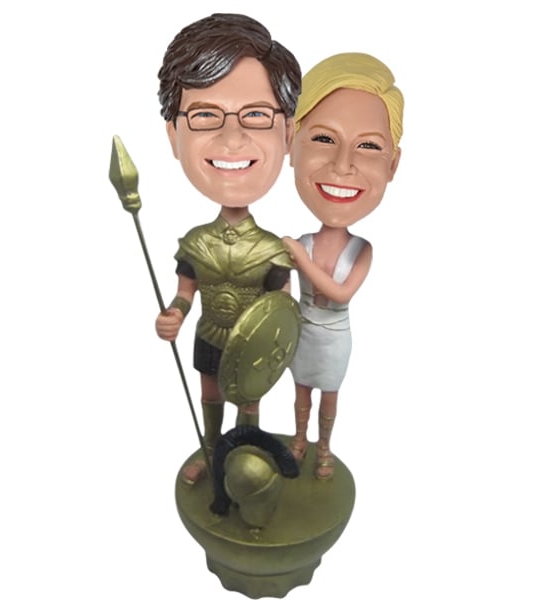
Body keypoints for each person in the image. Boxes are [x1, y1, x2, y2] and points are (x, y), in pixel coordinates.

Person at [155, 14, 301, 484]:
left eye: (256, 114)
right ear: (174, 135)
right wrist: (175, 313)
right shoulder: (196, 242)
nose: (233, 138)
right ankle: (211, 450)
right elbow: (186, 292)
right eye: (205, 115)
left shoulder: (273, 251)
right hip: (209, 333)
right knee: (210, 394)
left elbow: (282, 311)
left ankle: (246, 452)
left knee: (249, 399)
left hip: (251, 347)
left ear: (288, 133)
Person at [283, 53, 404, 479]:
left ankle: (324, 447)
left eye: (368, 146)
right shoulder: (302, 241)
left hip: (334, 341)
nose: (342, 164)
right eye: (323, 138)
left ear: (393, 165)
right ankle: (299, 439)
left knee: (329, 396)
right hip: (301, 336)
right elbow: (282, 293)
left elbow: (340, 293)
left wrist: (299, 259)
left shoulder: (360, 250)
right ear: (290, 142)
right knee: (300, 392)